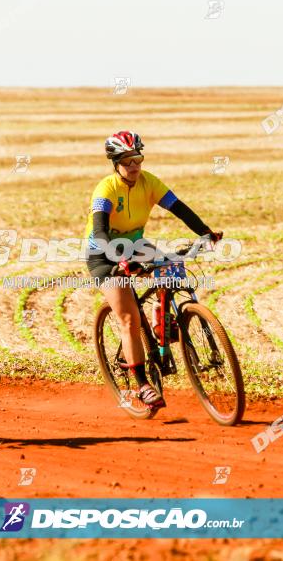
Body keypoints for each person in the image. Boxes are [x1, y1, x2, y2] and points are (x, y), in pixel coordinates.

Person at [85, 131, 221, 409]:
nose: (134, 166)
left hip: (134, 245)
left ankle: (163, 323)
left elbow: (179, 208)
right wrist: (118, 261)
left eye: (138, 158)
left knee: (171, 269)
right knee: (129, 319)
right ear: (115, 163)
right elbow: (99, 231)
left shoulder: (150, 182)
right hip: (103, 253)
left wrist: (205, 232)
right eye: (126, 161)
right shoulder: (105, 189)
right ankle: (142, 383)